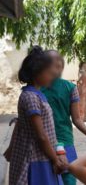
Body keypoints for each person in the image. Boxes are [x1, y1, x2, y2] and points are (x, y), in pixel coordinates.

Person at [41, 50, 86, 185]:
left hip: (44, 142)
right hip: (63, 143)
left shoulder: (37, 88)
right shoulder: (70, 88)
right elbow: (77, 119)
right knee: (67, 178)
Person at [7, 46, 67, 185]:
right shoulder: (31, 97)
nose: (53, 76)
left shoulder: (38, 95)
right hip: (35, 158)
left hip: (43, 156)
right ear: (37, 73)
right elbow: (41, 135)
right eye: (49, 73)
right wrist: (55, 159)